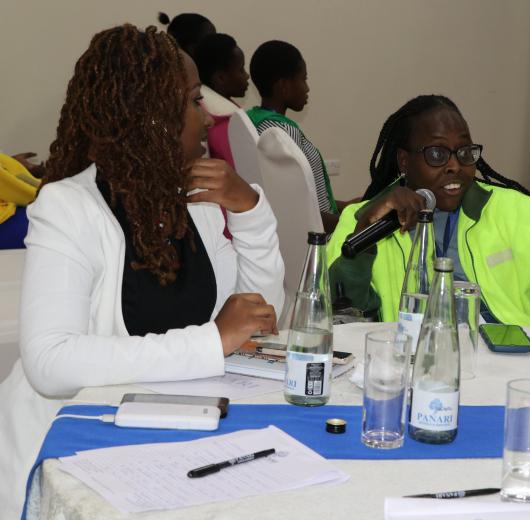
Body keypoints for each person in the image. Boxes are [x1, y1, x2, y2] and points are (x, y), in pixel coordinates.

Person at [0, 25, 284, 518]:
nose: (208, 116)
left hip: (175, 436)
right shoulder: (68, 207)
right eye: (194, 101)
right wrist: (210, 342)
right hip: (77, 445)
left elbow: (257, 320)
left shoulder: (195, 201)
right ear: (152, 115)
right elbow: (51, 362)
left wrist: (250, 212)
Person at [327, 94, 530, 331]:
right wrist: (365, 235)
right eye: (437, 154)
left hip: (516, 365)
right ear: (404, 161)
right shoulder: (364, 220)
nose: (454, 166)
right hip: (413, 368)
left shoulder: (512, 210)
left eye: (464, 152)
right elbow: (335, 310)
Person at [247, 40, 347, 234]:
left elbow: (308, 197)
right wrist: (351, 224)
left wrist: (348, 207)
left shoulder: (255, 120)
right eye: (303, 79)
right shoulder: (281, 133)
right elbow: (299, 209)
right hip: (318, 238)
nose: (307, 88)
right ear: (284, 86)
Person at [193, 33, 250, 118]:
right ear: (221, 78)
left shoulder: (228, 109)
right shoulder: (224, 119)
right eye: (241, 69)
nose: (247, 76)